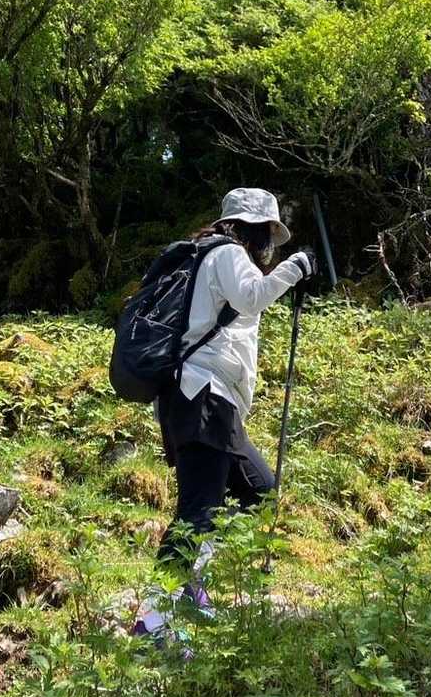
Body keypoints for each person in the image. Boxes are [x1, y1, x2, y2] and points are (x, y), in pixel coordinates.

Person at [134, 189, 316, 636]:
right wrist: (296, 267)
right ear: (255, 229)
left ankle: (191, 585)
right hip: (203, 396)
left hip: (205, 400)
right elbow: (253, 297)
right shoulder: (227, 253)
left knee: (259, 490)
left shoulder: (212, 258)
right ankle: (153, 621)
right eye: (269, 234)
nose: (270, 245)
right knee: (197, 511)